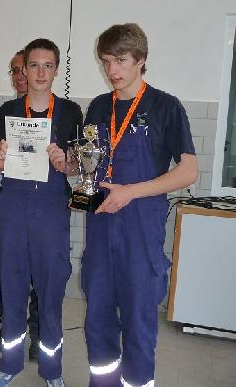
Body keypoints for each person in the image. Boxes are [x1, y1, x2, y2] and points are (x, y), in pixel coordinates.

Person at [82, 23, 198, 387]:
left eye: (121, 60)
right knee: (98, 318)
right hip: (101, 227)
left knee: (138, 322)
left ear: (141, 60)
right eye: (106, 61)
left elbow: (188, 171)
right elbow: (88, 165)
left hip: (140, 231)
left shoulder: (165, 107)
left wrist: (131, 192)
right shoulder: (98, 107)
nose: (112, 70)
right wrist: (66, 164)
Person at [0, 38, 83, 387]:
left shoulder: (71, 112)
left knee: (51, 289)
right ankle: (10, 364)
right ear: (23, 70)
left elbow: (80, 168)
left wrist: (66, 163)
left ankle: (52, 370)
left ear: (56, 70)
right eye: (34, 65)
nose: (41, 72)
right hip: (12, 206)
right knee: (11, 286)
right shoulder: (8, 111)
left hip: (51, 208)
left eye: (48, 66)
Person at [0, 50, 40, 361]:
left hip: (41, 203)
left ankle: (37, 333)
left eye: (23, 69)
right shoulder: (2, 109)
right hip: (6, 198)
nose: (19, 76)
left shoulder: (55, 109)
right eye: (14, 71)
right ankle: (8, 326)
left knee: (40, 273)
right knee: (5, 269)